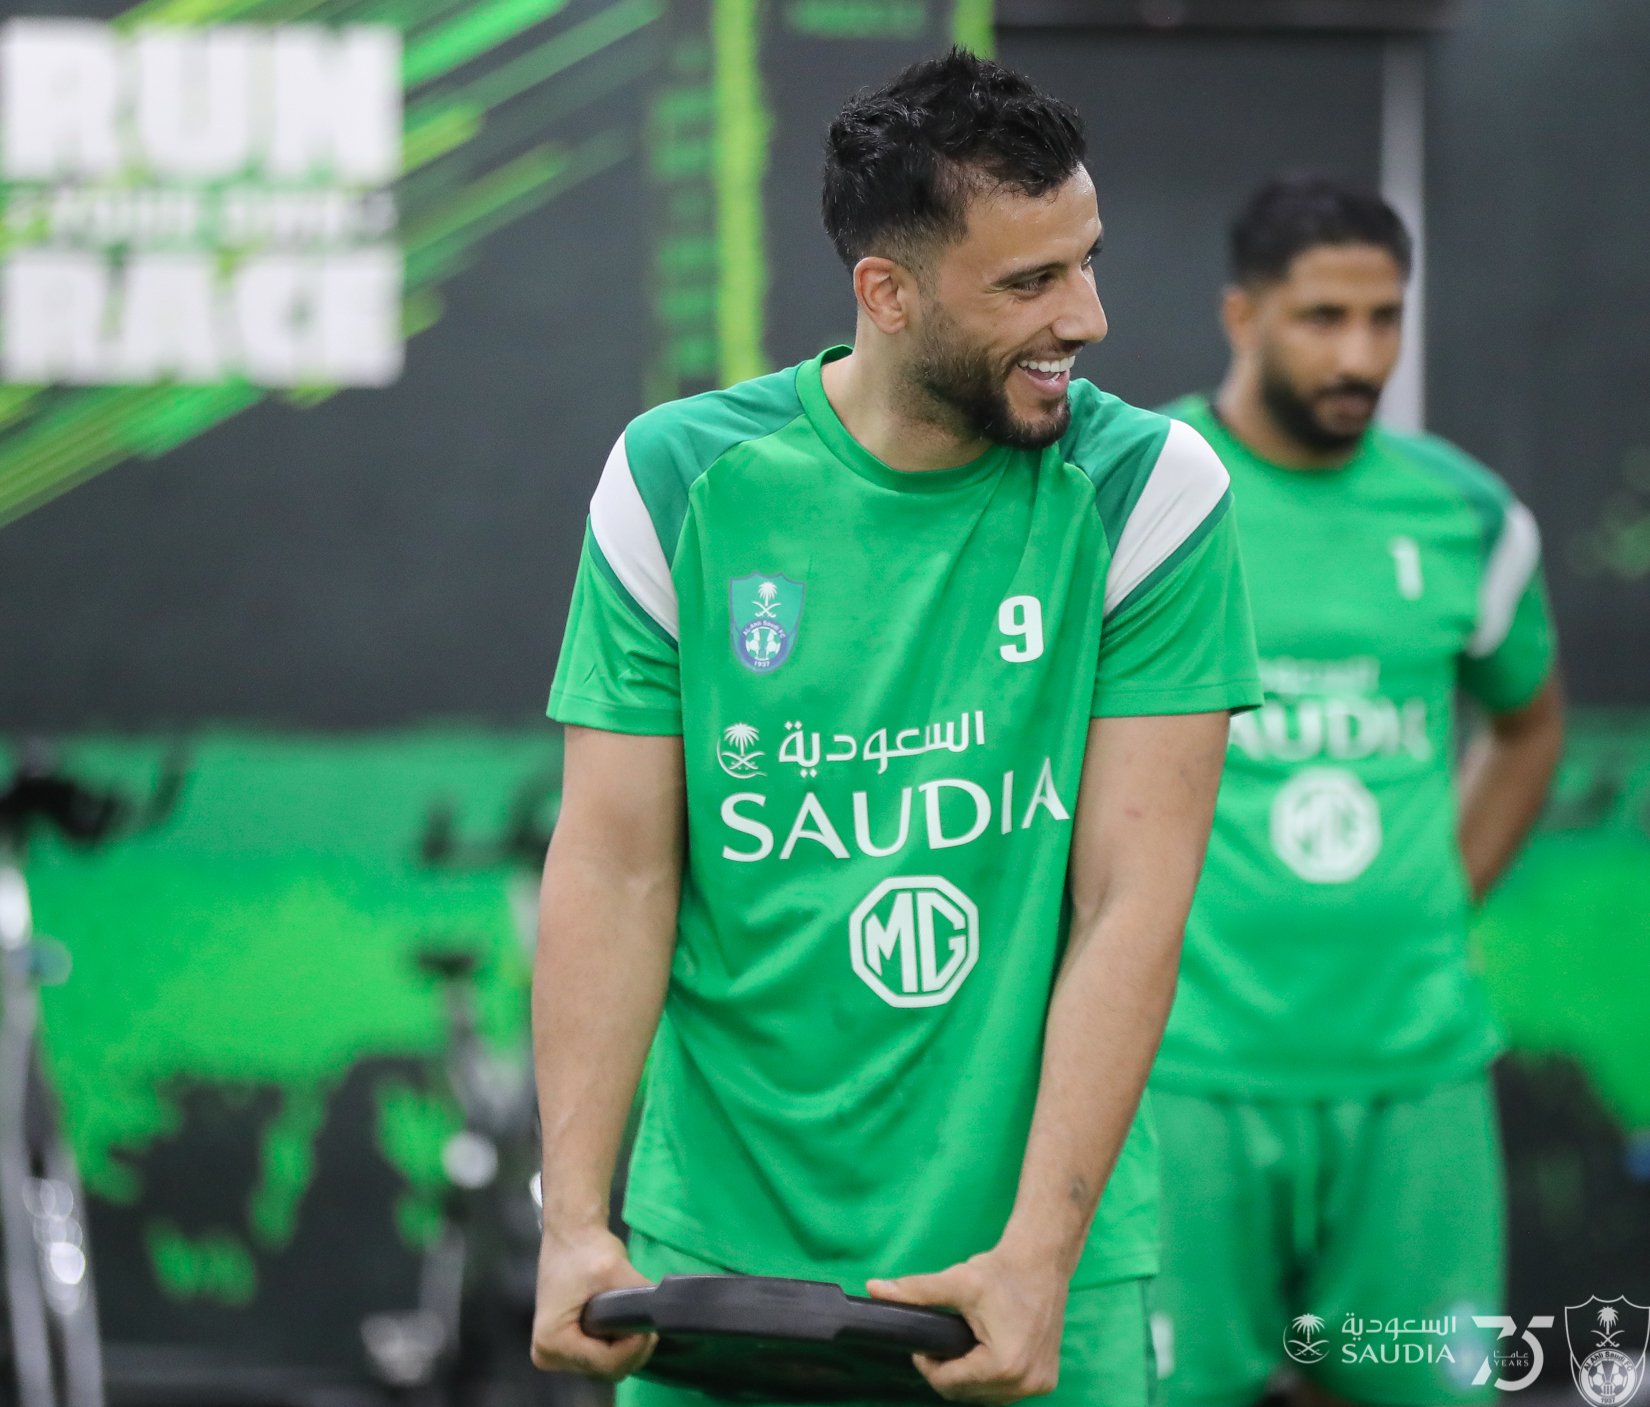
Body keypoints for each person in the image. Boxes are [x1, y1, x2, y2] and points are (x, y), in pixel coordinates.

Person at [529, 48, 1261, 1407]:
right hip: (716, 1276)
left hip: (1035, 1279)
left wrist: (1039, 1255)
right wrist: (572, 1215)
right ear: (887, 292)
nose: (1088, 316)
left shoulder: (1149, 489)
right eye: (1030, 283)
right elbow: (616, 868)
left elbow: (1129, 906)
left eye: (1087, 260)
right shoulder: (676, 478)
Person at [1150, 175, 1564, 1407]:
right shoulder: (1137, 493)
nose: (1360, 356)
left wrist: (1435, 894)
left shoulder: (1464, 514)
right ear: (1241, 315)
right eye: (1323, 317)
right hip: (1185, 1072)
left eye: (1385, 319)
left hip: (1413, 1073)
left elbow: (1529, 724)